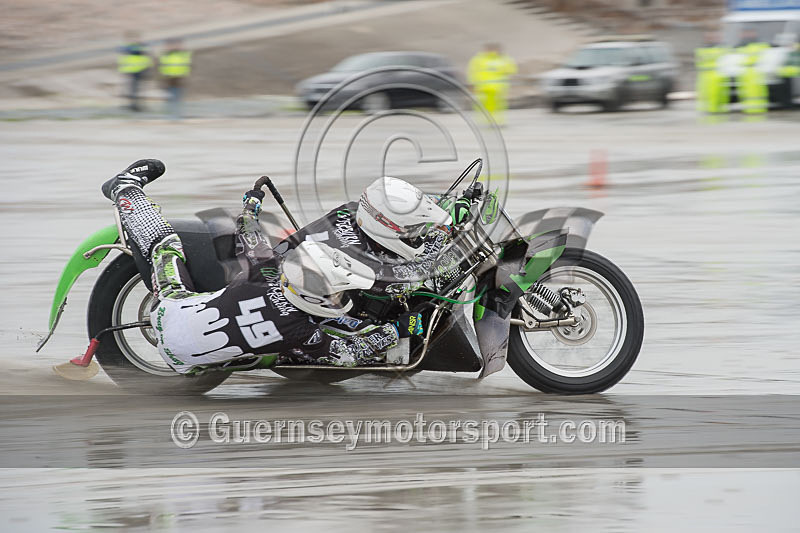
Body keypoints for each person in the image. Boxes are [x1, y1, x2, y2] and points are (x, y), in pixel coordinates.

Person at [101, 160, 426, 374]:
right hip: (184, 365)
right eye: (335, 296)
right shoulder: (298, 331)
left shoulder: (267, 273)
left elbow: (248, 230)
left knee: (165, 245)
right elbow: (347, 354)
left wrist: (252, 202)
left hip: (167, 310)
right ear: (312, 300)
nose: (340, 300)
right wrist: (397, 329)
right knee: (342, 335)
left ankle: (125, 188)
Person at [467, 43, 517, 125]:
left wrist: (473, 84)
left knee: (496, 106)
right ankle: (491, 122)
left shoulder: (480, 59)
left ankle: (494, 122)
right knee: (490, 106)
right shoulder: (502, 59)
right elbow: (473, 72)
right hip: (487, 88)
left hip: (494, 88)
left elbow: (512, 70)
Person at [735, 29, 770, 115]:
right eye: (746, 33)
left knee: (759, 91)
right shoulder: (739, 45)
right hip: (745, 72)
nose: (749, 35)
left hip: (757, 71)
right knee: (746, 92)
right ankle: (748, 109)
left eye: (751, 33)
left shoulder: (760, 44)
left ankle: (759, 108)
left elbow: (770, 47)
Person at [695, 31, 729, 114]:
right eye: (709, 38)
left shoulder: (721, 48)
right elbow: (699, 62)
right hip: (705, 75)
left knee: (719, 93)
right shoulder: (701, 49)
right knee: (708, 94)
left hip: (718, 74)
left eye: (713, 38)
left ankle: (717, 108)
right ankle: (711, 109)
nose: (711, 39)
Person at [118, 32, 153, 112]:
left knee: (139, 89)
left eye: (135, 38)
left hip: (140, 71)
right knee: (132, 90)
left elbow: (147, 58)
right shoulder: (127, 48)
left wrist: (148, 69)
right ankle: (133, 105)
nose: (134, 40)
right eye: (132, 38)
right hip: (131, 71)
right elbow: (122, 58)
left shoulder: (141, 47)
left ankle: (138, 105)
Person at [158, 38, 192, 119]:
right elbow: (161, 66)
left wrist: (186, 76)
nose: (175, 46)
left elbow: (188, 65)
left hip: (180, 78)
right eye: (172, 45)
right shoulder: (165, 54)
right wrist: (162, 78)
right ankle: (171, 114)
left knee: (178, 97)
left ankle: (178, 114)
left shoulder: (183, 54)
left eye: (178, 44)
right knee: (170, 97)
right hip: (169, 78)